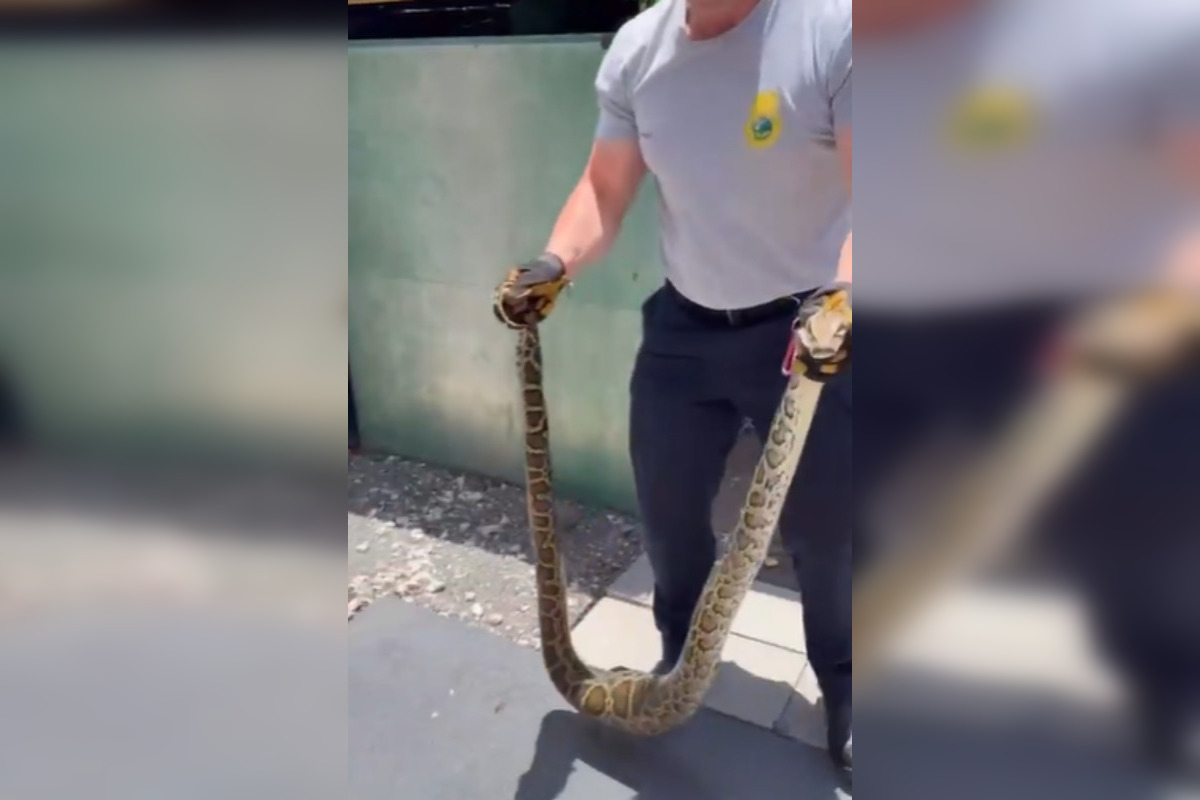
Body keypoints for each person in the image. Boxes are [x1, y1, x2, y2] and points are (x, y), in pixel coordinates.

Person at [492, 0, 854, 771]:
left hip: (808, 326)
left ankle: (848, 685)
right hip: (685, 326)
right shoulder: (639, 48)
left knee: (828, 532)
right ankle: (681, 654)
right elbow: (604, 189)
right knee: (667, 509)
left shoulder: (832, 31)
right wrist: (555, 263)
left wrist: (846, 298)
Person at [852, 0, 1200, 775]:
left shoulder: (1132, 29)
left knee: (1126, 530)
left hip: (1052, 320)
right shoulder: (832, 42)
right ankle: (850, 691)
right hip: (876, 316)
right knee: (838, 514)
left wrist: (1158, 303)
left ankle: (1171, 692)